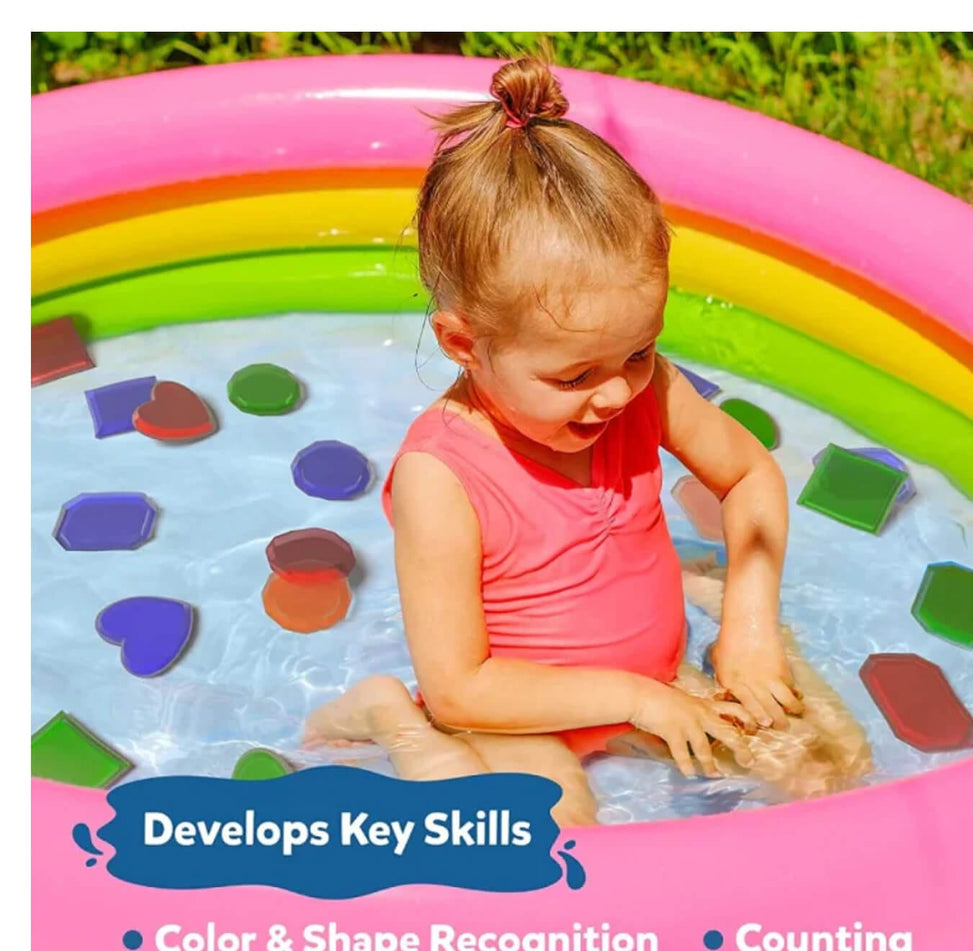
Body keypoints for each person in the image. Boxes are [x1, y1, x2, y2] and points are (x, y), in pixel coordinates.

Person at [305, 56, 871, 824]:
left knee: (831, 771)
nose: (615, 393)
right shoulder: (442, 477)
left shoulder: (644, 389)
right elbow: (462, 686)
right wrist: (632, 699)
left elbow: (749, 477)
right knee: (548, 828)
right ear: (464, 344)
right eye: (574, 376)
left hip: (655, 684)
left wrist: (747, 629)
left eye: (638, 352)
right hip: (513, 714)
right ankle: (391, 719)